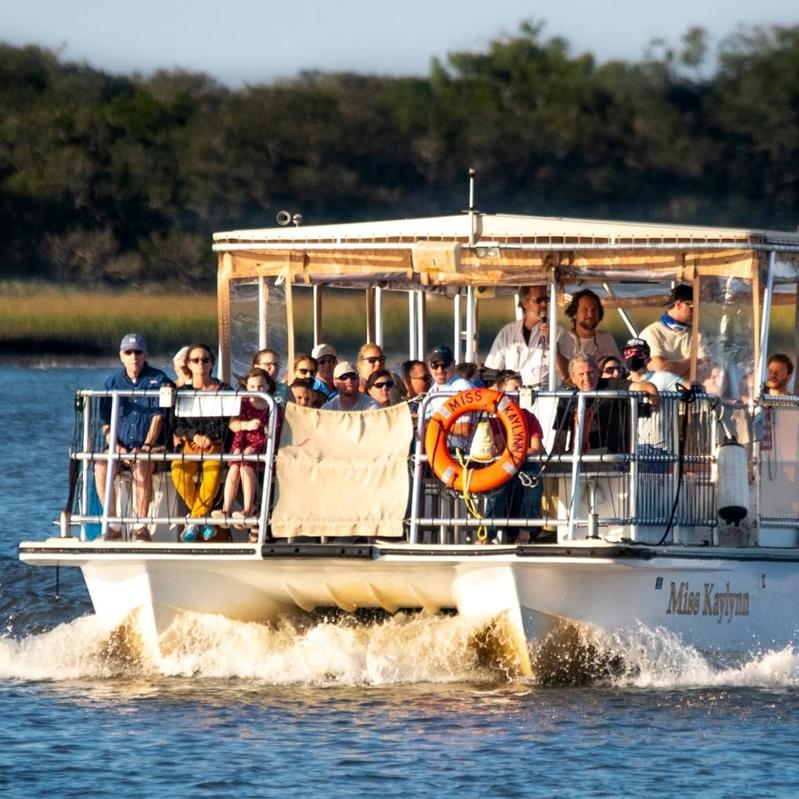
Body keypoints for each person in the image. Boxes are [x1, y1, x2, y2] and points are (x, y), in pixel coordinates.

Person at [95, 333, 172, 542]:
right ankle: (113, 524)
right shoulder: (112, 381)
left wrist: (147, 445)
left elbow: (160, 416)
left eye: (138, 352)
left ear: (145, 354)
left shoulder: (159, 379)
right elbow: (105, 423)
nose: (133, 356)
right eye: (128, 352)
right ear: (121, 356)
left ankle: (141, 526)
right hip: (120, 445)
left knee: (142, 463)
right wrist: (116, 447)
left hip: (151, 447)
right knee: (102, 465)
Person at [171, 343, 232, 542]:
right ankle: (202, 519)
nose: (200, 364)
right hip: (191, 444)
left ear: (212, 363)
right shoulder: (184, 392)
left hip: (215, 445)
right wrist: (193, 435)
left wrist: (209, 438)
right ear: (188, 364)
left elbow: (228, 422)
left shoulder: (225, 390)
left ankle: (194, 520)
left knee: (212, 471)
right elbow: (177, 424)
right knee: (179, 471)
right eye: (195, 360)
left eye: (205, 359)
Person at [554, 354, 658, 454]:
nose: (587, 378)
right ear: (573, 379)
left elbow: (643, 386)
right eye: (581, 374)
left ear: (598, 373)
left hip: (613, 459)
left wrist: (652, 391)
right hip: (578, 458)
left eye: (590, 372)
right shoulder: (567, 398)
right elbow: (560, 440)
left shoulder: (612, 384)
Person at [216, 367, 275, 543]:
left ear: (267, 386)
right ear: (246, 387)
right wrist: (246, 425)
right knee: (235, 466)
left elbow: (274, 429)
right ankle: (226, 509)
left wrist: (261, 434)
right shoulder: (242, 403)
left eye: (260, 386)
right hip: (241, 442)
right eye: (252, 386)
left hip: (262, 444)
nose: (257, 390)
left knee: (246, 462)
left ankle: (248, 510)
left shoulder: (272, 405)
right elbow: (233, 425)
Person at [485, 372, 545, 545]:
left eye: (521, 388)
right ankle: (489, 534)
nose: (520, 392)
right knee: (496, 487)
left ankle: (524, 532)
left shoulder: (528, 417)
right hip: (501, 464)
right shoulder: (492, 420)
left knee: (532, 480)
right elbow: (490, 449)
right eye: (515, 388)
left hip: (524, 463)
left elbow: (536, 447)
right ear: (503, 392)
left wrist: (517, 455)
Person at [484, 285, 567, 388]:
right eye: (539, 300)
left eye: (546, 299)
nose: (544, 304)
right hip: (512, 398)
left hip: (546, 399)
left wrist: (553, 346)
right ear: (525, 303)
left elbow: (567, 375)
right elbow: (493, 370)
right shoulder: (507, 332)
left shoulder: (559, 332)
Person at [639, 284, 708, 380]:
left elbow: (705, 365)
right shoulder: (652, 332)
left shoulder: (696, 333)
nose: (696, 312)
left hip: (688, 389)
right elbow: (661, 368)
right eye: (692, 308)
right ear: (678, 304)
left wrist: (672, 366)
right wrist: (692, 361)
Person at [425, 344, 474, 449]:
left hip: (460, 452)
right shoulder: (432, 391)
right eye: (435, 365)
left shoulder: (464, 387)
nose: (439, 370)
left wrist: (432, 425)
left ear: (453, 364)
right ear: (429, 367)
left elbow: (464, 429)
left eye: (445, 365)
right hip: (435, 450)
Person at [560, 289, 622, 366]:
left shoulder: (606, 339)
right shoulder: (564, 341)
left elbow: (620, 368)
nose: (590, 314)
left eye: (594, 310)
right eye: (585, 310)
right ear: (574, 314)